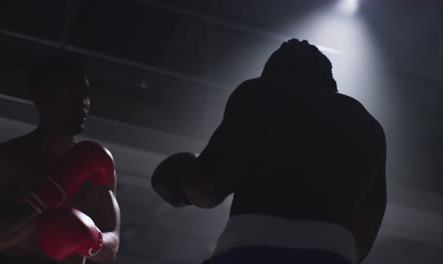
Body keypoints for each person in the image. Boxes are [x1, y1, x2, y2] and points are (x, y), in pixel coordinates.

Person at [152, 39, 387, 264]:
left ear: (272, 72)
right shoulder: (369, 126)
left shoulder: (260, 93)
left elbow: (205, 189)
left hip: (253, 250)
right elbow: (364, 238)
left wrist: (183, 184)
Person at [0, 55, 120, 264]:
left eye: (84, 95)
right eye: (70, 93)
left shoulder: (97, 166)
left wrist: (90, 239)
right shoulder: (6, 159)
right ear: (40, 97)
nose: (81, 102)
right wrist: (43, 204)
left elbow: (111, 249)